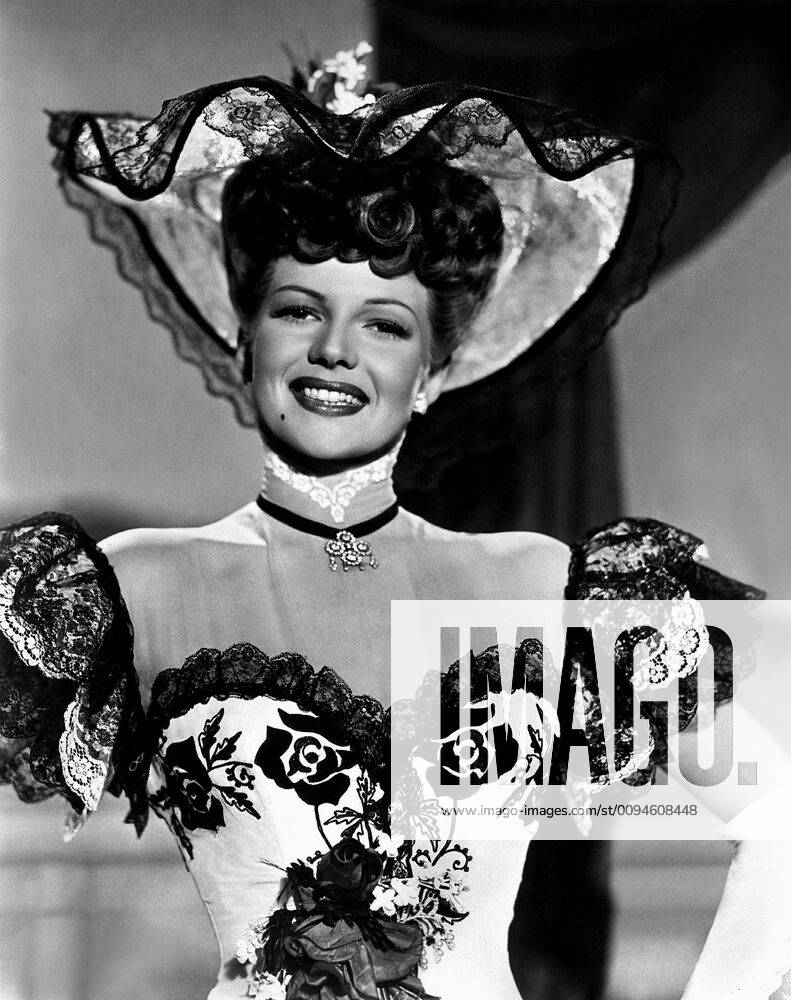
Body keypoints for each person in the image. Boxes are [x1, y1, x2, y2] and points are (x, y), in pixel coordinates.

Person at [0, 45, 784, 1000]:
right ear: (244, 340)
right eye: (300, 310)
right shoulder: (135, 584)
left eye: (384, 323)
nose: (335, 350)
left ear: (432, 374)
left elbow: (778, 831)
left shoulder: (540, 586)